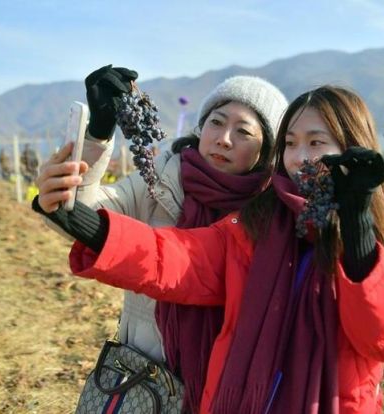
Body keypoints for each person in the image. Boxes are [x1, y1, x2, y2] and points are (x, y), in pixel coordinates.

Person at [34, 85, 384, 413]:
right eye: (291, 143)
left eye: (316, 142)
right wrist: (93, 228)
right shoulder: (259, 221)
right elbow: (179, 257)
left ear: (352, 146)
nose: (300, 158)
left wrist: (360, 236)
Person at [35, 65, 287, 412]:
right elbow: (82, 215)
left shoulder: (271, 215)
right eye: (216, 122)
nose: (223, 138)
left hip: (230, 387)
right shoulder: (161, 181)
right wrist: (97, 136)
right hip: (147, 381)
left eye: (243, 131)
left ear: (267, 150)